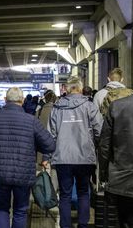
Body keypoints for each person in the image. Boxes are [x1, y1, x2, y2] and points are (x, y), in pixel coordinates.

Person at [0, 87, 55, 228]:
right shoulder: (31, 120)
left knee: (2, 209)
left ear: (5, 100)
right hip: (23, 173)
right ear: (22, 100)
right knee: (20, 211)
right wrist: (33, 147)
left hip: (0, 173)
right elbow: (50, 145)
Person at [44, 76, 103, 228]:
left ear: (67, 89)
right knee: (84, 192)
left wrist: (46, 156)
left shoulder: (57, 108)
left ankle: (65, 226)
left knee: (65, 195)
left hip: (62, 158)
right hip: (85, 158)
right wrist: (93, 147)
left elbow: (50, 135)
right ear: (81, 88)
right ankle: (83, 225)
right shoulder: (90, 107)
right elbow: (99, 131)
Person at [99, 95, 133, 228]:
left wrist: (103, 174)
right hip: (123, 178)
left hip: (123, 178)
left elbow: (105, 145)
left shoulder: (117, 106)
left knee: (126, 220)